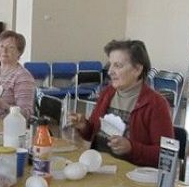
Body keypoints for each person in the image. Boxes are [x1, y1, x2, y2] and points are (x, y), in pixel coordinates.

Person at [68, 39, 174, 167]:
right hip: (99, 168)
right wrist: (83, 125)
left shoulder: (156, 104)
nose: (109, 71)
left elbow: (165, 155)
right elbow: (92, 135)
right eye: (110, 65)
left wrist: (131, 148)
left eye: (117, 66)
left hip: (131, 177)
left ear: (137, 69)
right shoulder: (107, 93)